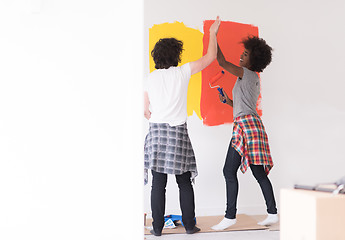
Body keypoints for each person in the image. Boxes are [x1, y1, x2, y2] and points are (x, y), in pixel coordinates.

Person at [144, 17, 221, 236]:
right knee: (184, 182)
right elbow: (210, 57)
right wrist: (213, 33)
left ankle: (157, 228)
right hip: (177, 134)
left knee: (158, 184)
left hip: (157, 133)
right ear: (176, 55)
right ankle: (189, 226)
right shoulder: (182, 72)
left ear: (156, 56)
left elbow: (145, 111)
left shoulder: (149, 79)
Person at [211, 36, 278, 230]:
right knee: (258, 172)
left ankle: (230, 216)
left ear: (254, 59)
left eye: (246, 54)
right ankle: (272, 213)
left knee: (228, 171)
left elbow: (222, 62)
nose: (242, 55)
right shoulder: (252, 78)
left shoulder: (247, 74)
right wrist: (228, 102)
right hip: (251, 124)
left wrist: (215, 37)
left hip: (246, 126)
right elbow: (245, 106)